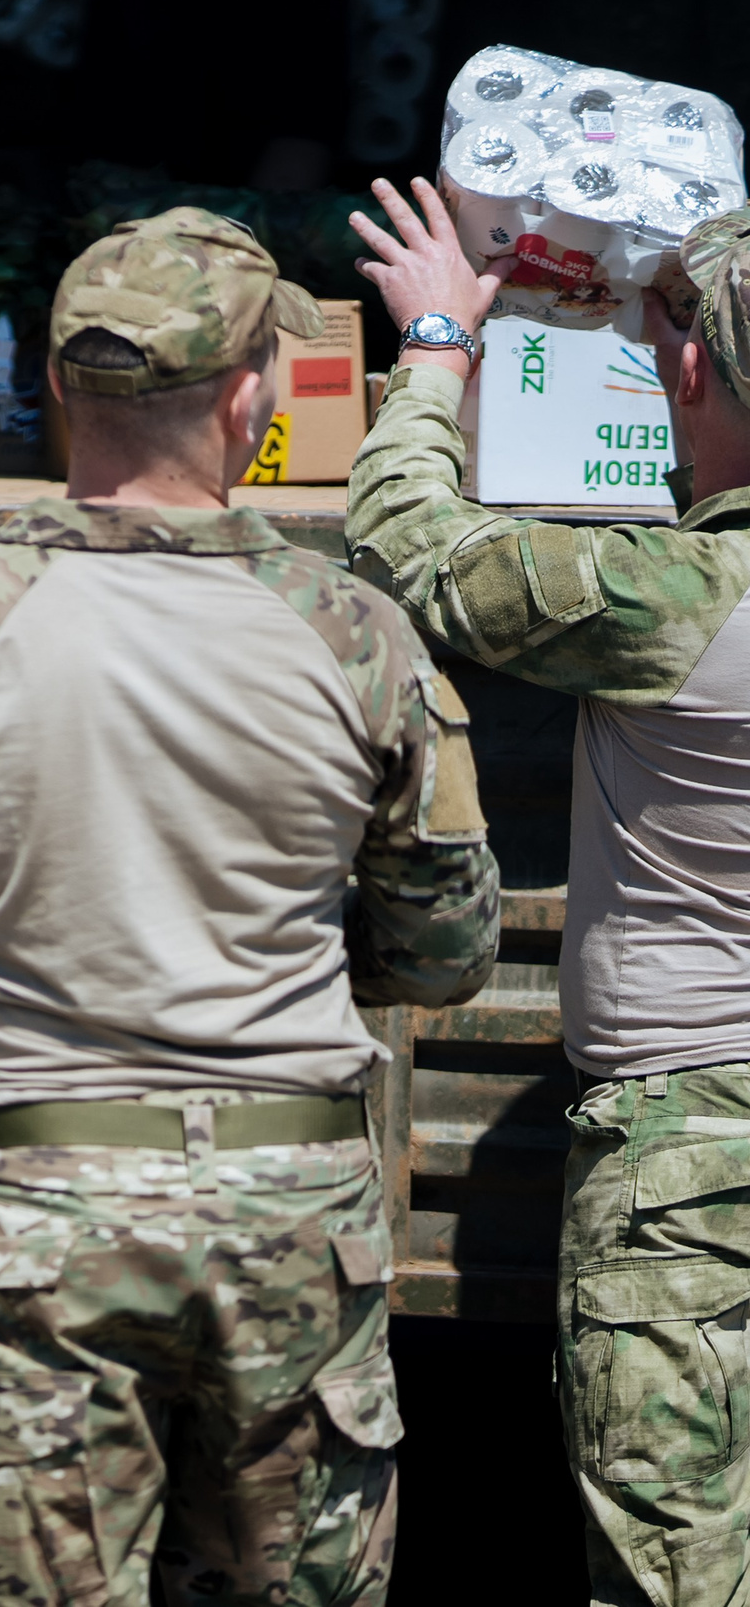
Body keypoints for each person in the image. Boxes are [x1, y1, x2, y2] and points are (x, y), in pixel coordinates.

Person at [0, 208, 501, 1607]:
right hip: (299, 1209)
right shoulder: (358, 631)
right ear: (254, 397)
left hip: (51, 1219)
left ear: (65, 386)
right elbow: (443, 956)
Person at [345, 178, 750, 1607]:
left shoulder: (679, 601)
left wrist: (445, 344)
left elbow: (412, 547)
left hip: (695, 1162)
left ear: (686, 369)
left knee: (677, 1570)